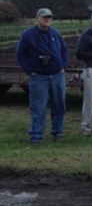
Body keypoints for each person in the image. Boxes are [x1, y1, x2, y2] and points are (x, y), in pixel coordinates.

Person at [16, 8, 68, 146]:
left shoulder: (55, 34)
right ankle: (36, 136)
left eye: (49, 17)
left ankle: (57, 133)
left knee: (59, 106)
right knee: (38, 107)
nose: (47, 19)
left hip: (57, 75)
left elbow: (64, 50)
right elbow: (20, 54)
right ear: (37, 18)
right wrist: (29, 70)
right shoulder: (27, 35)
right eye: (44, 17)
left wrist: (63, 66)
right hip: (38, 77)